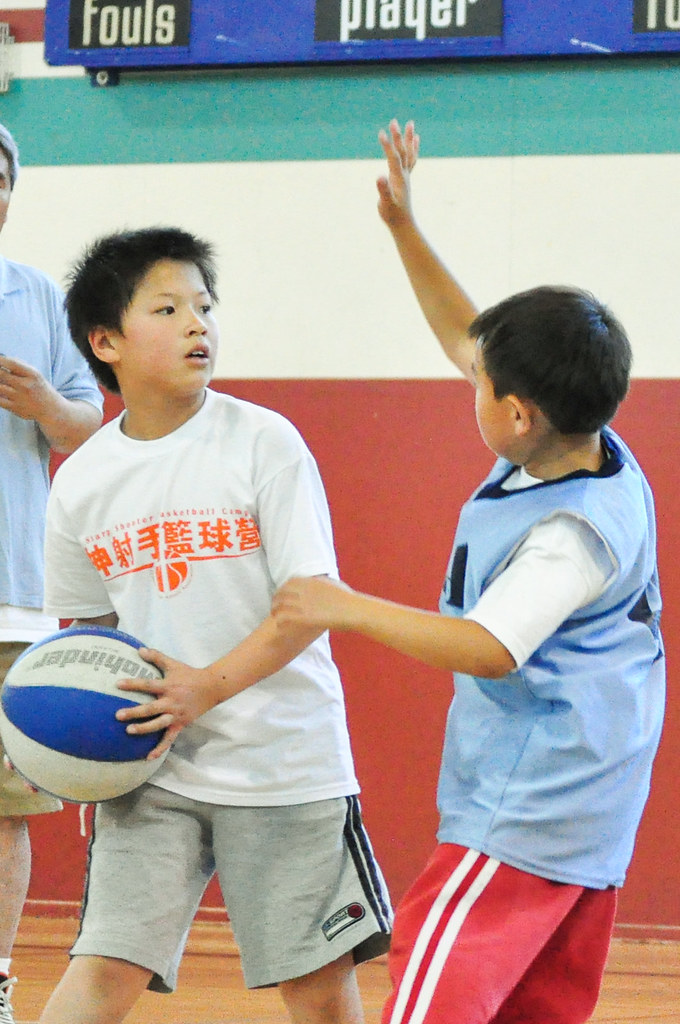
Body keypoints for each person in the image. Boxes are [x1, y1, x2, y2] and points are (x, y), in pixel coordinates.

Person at [271, 120, 666, 1024]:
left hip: (525, 812)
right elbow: (468, 334)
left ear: (518, 414)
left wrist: (343, 605)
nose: (467, 380)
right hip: (592, 810)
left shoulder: (566, 535)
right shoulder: (583, 441)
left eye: (481, 383)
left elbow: (490, 646)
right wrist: (405, 227)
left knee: (430, 998)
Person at [37, 227, 392, 1024]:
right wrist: (62, 738)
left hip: (283, 763)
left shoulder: (264, 441)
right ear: (106, 342)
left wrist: (205, 688)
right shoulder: (82, 482)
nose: (198, 324)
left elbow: (310, 604)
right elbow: (88, 635)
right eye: (168, 309)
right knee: (104, 967)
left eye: (204, 306)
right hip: (150, 772)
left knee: (316, 986)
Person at [0, 122, 103, 1024]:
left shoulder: (36, 297)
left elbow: (89, 425)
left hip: (12, 600)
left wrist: (44, 405)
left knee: (4, 810)